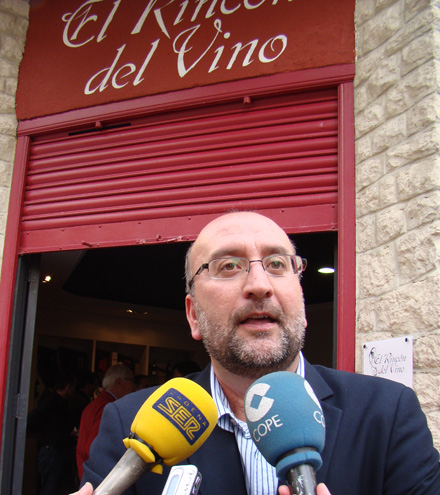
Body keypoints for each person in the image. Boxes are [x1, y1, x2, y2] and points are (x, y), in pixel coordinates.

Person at [74, 212, 440, 495]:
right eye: (228, 266)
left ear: (301, 302)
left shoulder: (388, 414)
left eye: (277, 264)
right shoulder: (126, 423)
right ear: (193, 314)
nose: (260, 285)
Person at [76, 364, 135, 479]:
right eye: (131, 381)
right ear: (118, 382)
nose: (134, 387)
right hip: (97, 478)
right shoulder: (109, 407)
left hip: (86, 474)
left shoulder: (95, 404)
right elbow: (96, 449)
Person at [27, 372, 77, 495]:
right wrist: (45, 436)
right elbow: (31, 420)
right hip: (51, 453)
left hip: (58, 452)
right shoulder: (51, 402)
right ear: (68, 386)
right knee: (50, 489)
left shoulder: (60, 402)